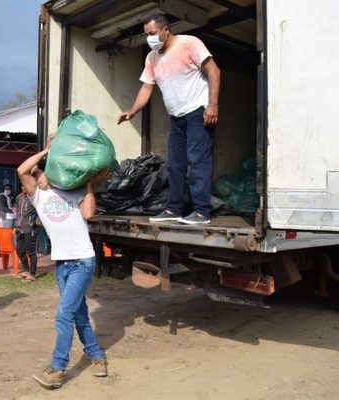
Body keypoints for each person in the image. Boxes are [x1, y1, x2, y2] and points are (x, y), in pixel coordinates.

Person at [18, 133, 110, 389]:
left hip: (82, 261)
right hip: (63, 264)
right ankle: (97, 357)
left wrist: (90, 185)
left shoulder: (75, 191)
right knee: (79, 315)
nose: (39, 177)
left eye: (42, 173)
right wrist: (47, 149)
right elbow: (22, 169)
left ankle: (57, 369)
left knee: (64, 315)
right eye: (38, 175)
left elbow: (89, 214)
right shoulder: (38, 196)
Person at [117, 14, 221, 225]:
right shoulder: (152, 58)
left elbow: (214, 70)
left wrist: (213, 104)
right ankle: (174, 209)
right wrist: (132, 111)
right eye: (147, 35)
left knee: (198, 160)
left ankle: (202, 212)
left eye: (153, 34)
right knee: (175, 165)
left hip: (197, 112)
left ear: (166, 30)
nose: (150, 39)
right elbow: (147, 87)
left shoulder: (189, 43)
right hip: (177, 118)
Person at [14, 184, 38, 282]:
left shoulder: (34, 197)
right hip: (19, 228)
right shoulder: (18, 197)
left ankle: (32, 274)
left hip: (30, 228)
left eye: (25, 185)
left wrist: (34, 222)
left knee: (31, 252)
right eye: (22, 186)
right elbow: (18, 212)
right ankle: (26, 270)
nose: (24, 187)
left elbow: (40, 211)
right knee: (19, 250)